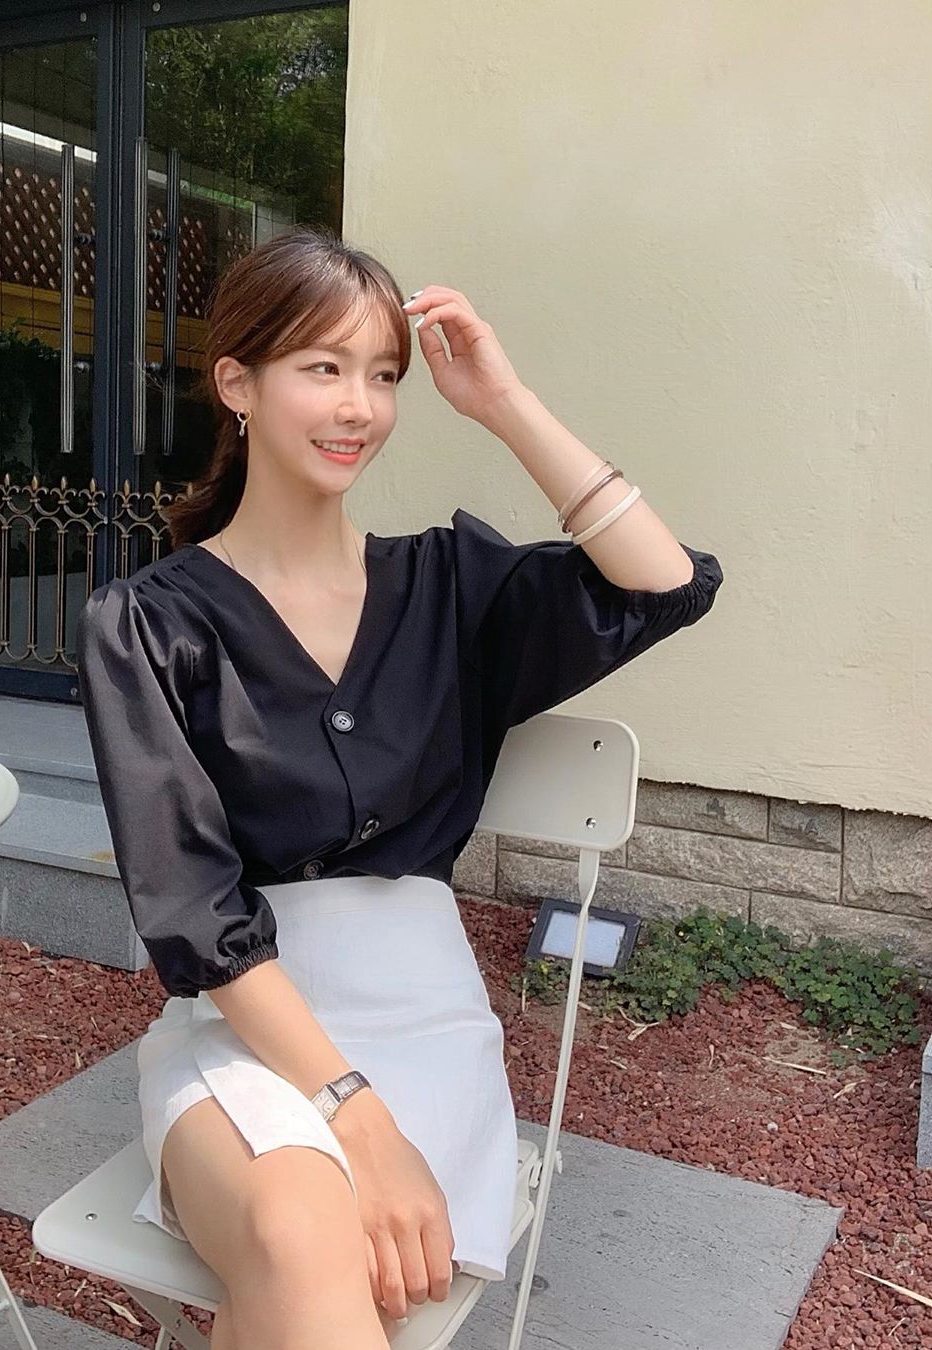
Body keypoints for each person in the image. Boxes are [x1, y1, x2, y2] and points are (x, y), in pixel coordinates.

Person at [75, 224, 724, 1350]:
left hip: (427, 1020)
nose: (359, 407)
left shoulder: (445, 586)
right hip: (251, 1027)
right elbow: (190, 907)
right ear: (237, 384)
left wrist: (505, 403)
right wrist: (358, 1123)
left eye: (383, 375)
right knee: (298, 1231)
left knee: (308, 1281)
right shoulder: (147, 624)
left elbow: (662, 585)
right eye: (323, 368)